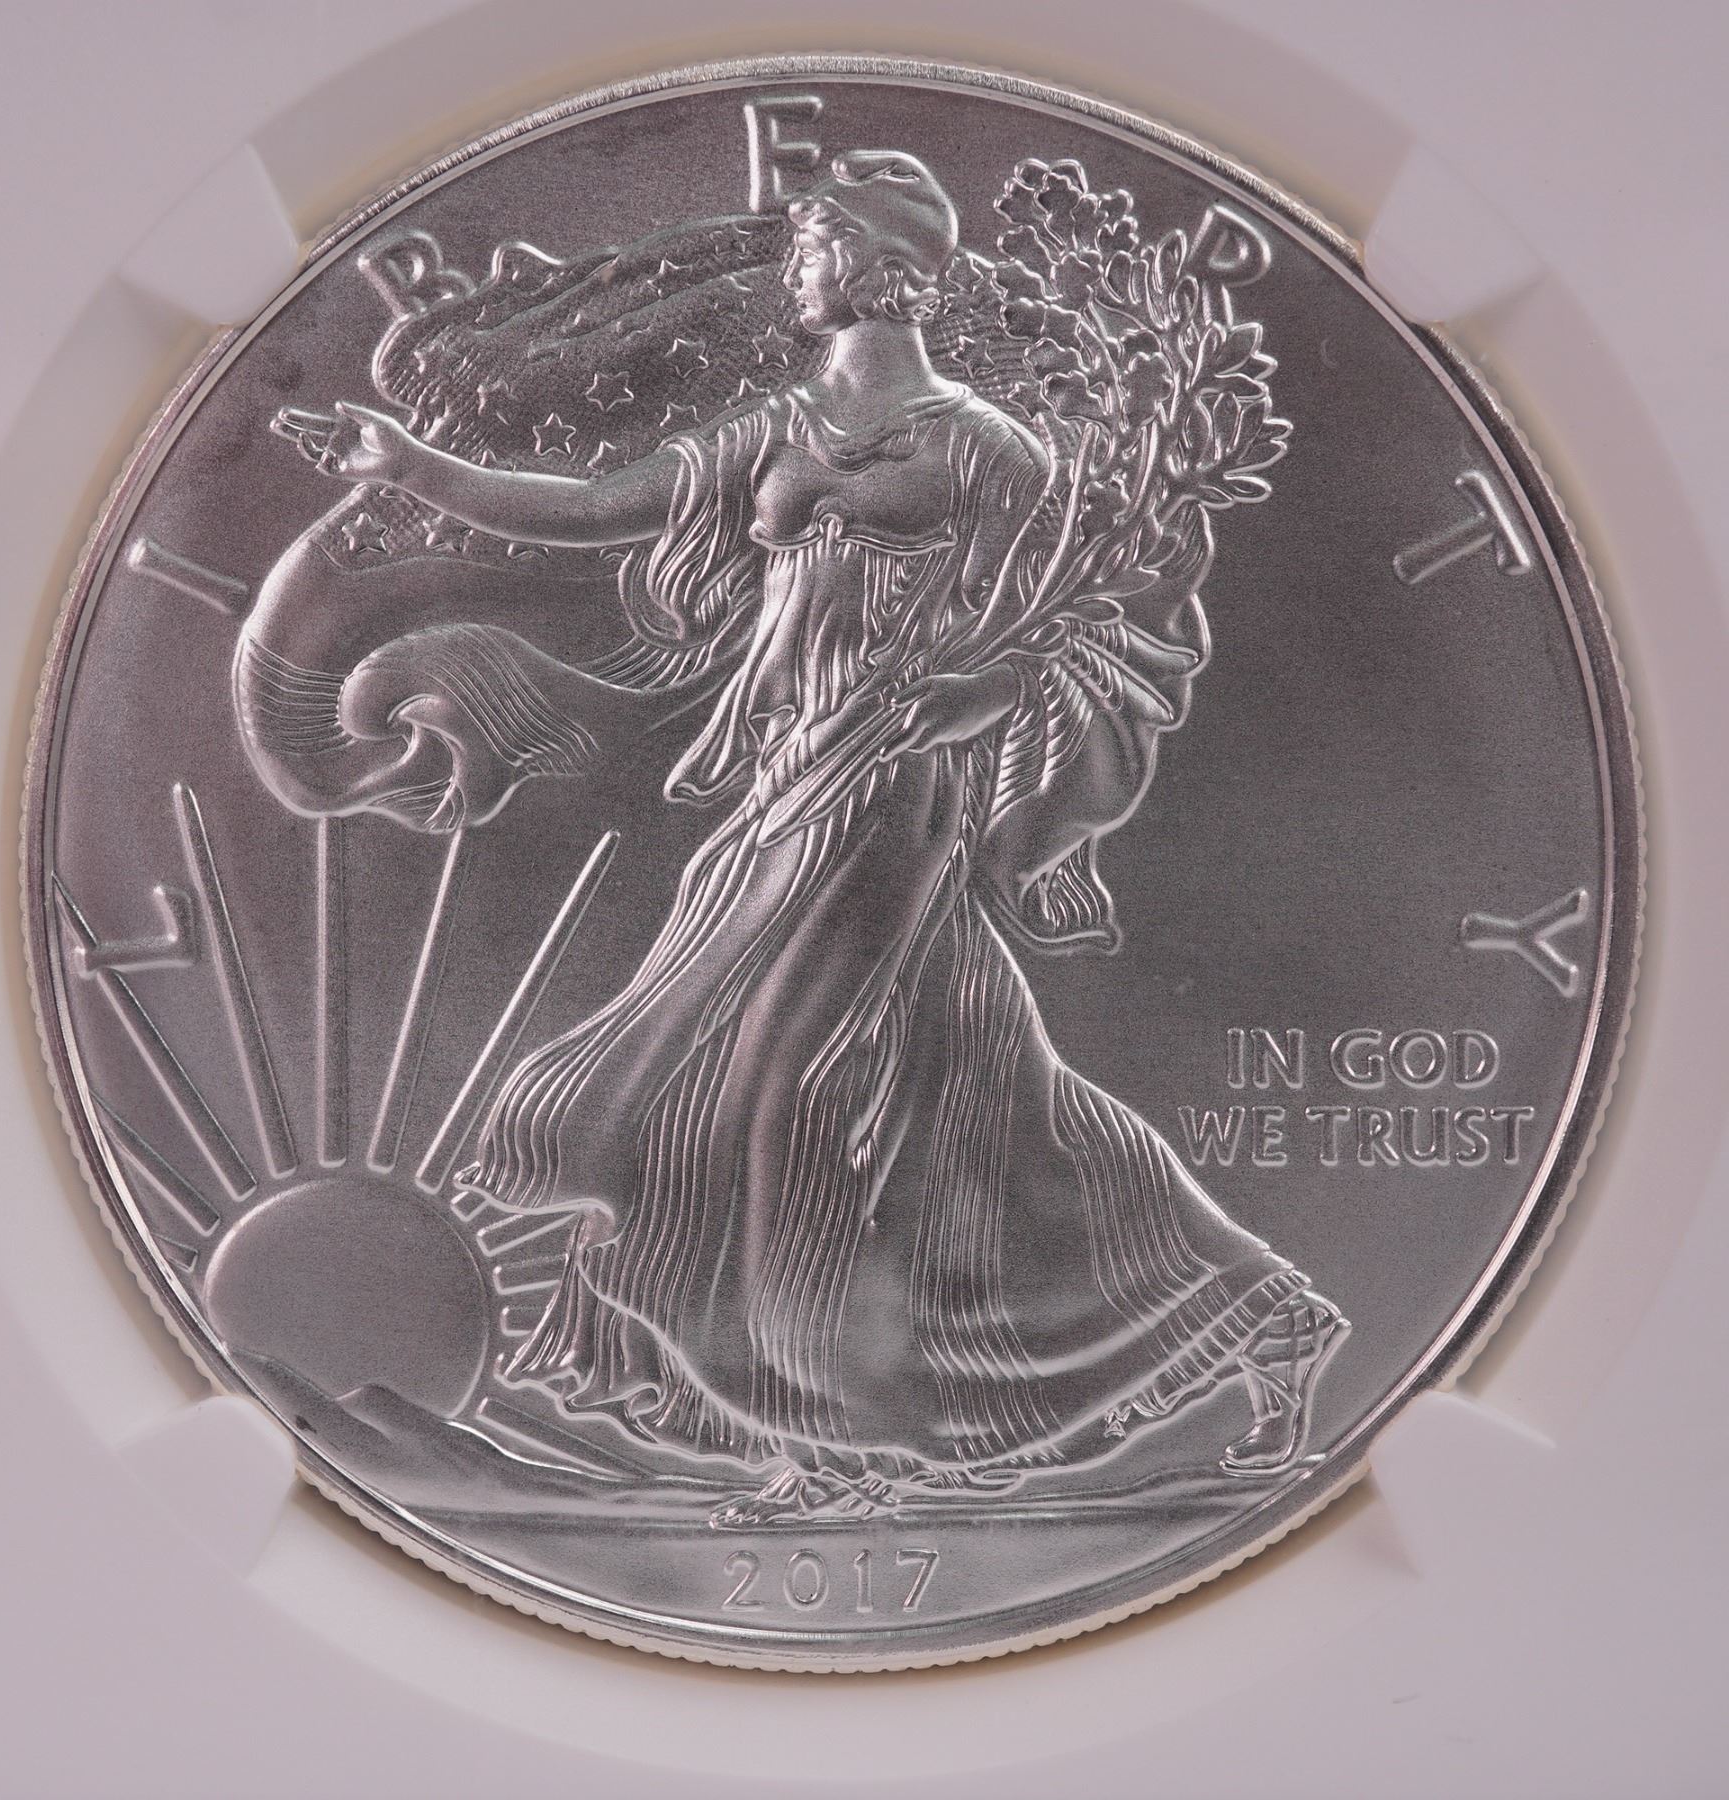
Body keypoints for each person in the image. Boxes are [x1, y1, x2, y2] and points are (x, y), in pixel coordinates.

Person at [313, 149, 1346, 1526]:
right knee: (986, 1103)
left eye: (810, 246)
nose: (792, 270)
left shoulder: (989, 448)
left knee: (777, 1084)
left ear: (876, 263)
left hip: (897, 790)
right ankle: (1260, 1323)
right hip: (790, 774)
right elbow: (593, 508)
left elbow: (1086, 623)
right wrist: (414, 465)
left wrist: (981, 691)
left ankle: (833, 1437)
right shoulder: (773, 426)